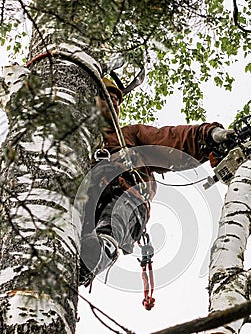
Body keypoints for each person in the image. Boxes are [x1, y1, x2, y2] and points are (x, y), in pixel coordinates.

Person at [79, 77, 235, 287]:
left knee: (116, 214)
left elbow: (170, 140)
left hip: (127, 195)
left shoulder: (129, 136)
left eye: (117, 100)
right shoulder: (77, 144)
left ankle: (102, 250)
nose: (114, 104)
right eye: (108, 98)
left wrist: (209, 135)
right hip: (84, 204)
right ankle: (76, 259)